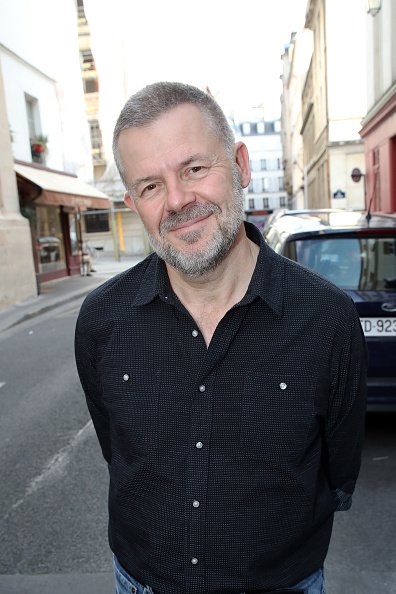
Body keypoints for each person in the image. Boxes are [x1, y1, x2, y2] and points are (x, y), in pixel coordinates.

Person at [75, 82, 367, 594]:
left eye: (194, 168)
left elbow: (337, 470)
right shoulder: (102, 320)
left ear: (241, 165)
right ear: (132, 203)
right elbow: (115, 449)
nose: (178, 200)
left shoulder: (327, 318)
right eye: (150, 186)